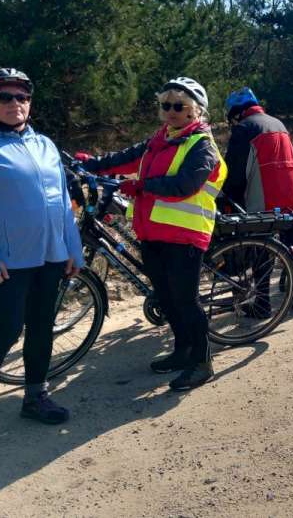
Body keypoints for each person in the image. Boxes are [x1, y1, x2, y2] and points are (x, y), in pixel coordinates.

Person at [0, 68, 85, 454]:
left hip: (50, 256)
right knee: (4, 331)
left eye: (22, 97)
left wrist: (72, 248)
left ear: (30, 102)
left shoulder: (45, 145)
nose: (15, 104)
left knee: (42, 327)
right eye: (5, 97)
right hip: (8, 262)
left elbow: (62, 202)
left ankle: (35, 396)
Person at [77, 77, 226, 391]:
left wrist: (141, 186)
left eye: (178, 106)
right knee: (167, 298)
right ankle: (183, 351)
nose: (170, 111)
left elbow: (185, 185)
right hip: (152, 231)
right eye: (165, 105)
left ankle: (202, 363)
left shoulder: (202, 145)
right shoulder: (159, 140)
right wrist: (93, 165)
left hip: (185, 235)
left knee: (186, 301)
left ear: (196, 110)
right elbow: (124, 158)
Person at [223, 87, 293, 314]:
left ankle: (262, 306)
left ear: (236, 113)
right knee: (292, 245)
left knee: (261, 249)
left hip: (266, 195)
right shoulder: (277, 123)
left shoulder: (245, 128)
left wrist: (228, 197)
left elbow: (234, 173)